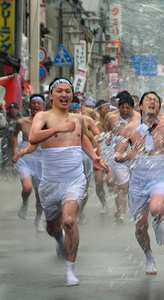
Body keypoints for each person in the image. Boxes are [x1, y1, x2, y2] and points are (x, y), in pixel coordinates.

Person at [29, 78, 106, 286]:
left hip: (74, 179)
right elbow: (33, 137)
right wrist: (57, 129)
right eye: (60, 91)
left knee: (70, 220)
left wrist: (94, 157)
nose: (64, 95)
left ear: (72, 95)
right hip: (50, 182)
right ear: (51, 95)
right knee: (52, 227)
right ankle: (58, 239)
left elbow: (83, 138)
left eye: (68, 91)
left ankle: (70, 270)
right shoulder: (42, 117)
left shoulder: (78, 118)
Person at [115, 91, 164, 274]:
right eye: (148, 100)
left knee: (157, 209)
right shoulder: (129, 128)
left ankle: (158, 222)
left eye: (156, 100)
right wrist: (122, 156)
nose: (152, 102)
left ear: (159, 108)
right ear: (140, 107)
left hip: (160, 176)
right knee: (141, 227)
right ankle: (149, 256)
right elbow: (119, 151)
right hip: (139, 180)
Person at [104, 91, 140, 223]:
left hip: (135, 158)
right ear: (118, 107)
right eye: (122, 107)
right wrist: (108, 136)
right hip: (118, 157)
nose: (125, 110)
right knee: (122, 186)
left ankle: (136, 211)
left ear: (133, 108)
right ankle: (122, 214)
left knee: (134, 186)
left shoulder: (139, 119)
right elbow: (107, 128)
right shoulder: (112, 118)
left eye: (128, 108)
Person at [11, 95, 45, 232]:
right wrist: (14, 152)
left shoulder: (48, 122)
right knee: (27, 188)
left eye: (39, 103)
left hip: (42, 160)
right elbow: (14, 135)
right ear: (29, 106)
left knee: (40, 195)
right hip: (25, 158)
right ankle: (25, 202)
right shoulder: (22, 121)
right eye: (33, 103)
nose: (36, 105)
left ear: (43, 107)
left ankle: (38, 218)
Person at [94, 99, 114, 214]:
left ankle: (112, 186)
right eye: (106, 109)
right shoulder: (94, 124)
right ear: (99, 110)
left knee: (111, 181)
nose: (108, 111)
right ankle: (104, 204)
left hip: (110, 155)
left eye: (109, 109)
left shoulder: (112, 122)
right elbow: (91, 140)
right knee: (99, 182)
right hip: (98, 154)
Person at [1, 102, 22, 176]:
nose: (13, 111)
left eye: (15, 109)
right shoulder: (7, 118)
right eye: (11, 109)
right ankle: (8, 178)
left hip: (18, 145)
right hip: (6, 145)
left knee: (17, 164)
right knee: (7, 164)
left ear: (17, 110)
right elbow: (3, 123)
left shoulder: (21, 119)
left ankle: (16, 178)